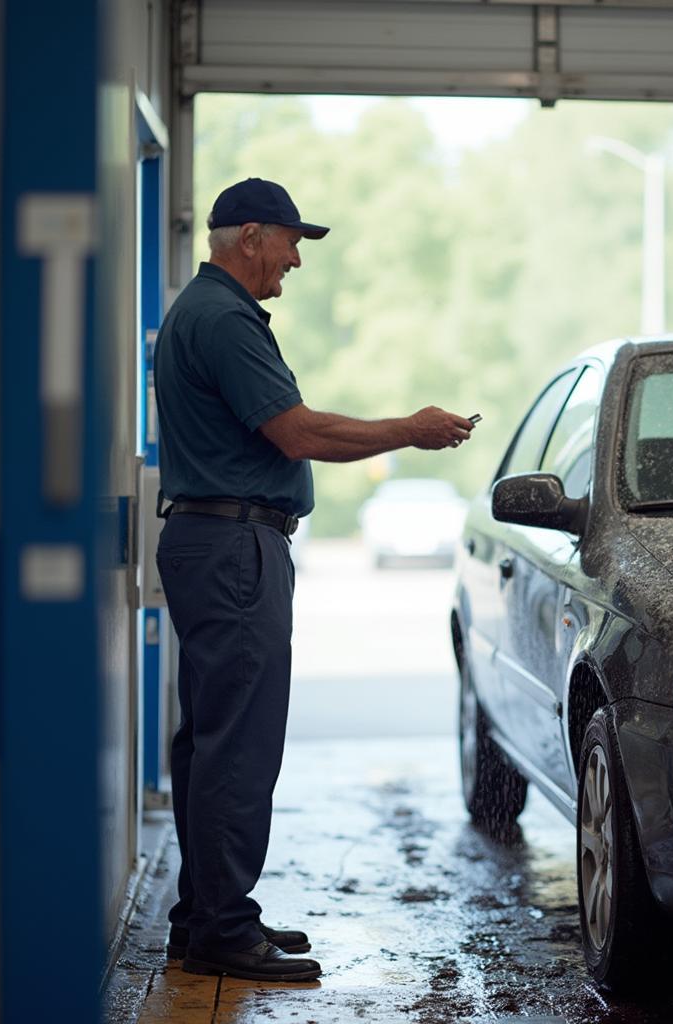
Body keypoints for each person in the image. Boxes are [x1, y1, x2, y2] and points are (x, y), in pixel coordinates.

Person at [153, 178, 474, 984]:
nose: (295, 261)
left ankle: (206, 916)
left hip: (212, 541)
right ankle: (223, 931)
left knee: (210, 739)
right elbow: (297, 432)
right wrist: (410, 429)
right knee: (240, 744)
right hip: (235, 549)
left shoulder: (201, 311)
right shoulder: (224, 318)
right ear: (251, 235)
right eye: (291, 242)